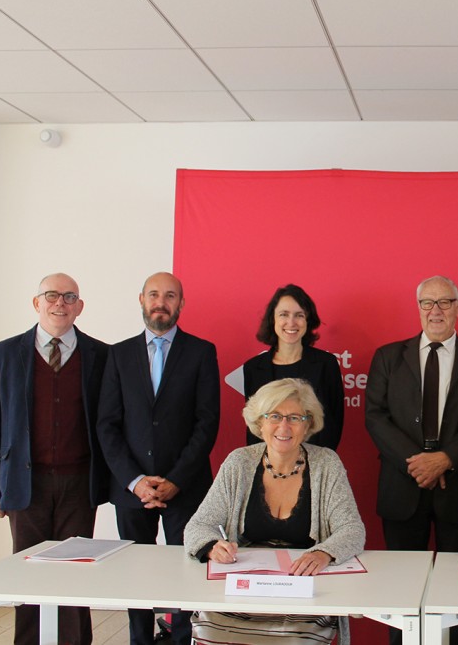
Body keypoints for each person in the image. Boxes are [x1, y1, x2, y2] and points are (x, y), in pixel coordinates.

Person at [0, 273, 109, 645]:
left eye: (69, 297)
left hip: (79, 483)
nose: (60, 303)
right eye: (52, 295)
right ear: (37, 303)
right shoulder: (4, 354)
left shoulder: (100, 355)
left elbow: (111, 422)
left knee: (75, 573)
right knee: (28, 574)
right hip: (24, 483)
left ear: (79, 307)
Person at [365, 275, 458, 644]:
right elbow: (375, 417)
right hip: (402, 485)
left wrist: (445, 459)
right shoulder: (388, 357)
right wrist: (419, 463)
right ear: (418, 307)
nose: (436, 310)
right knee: (401, 592)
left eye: (445, 302)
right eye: (428, 302)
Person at [184, 378, 365, 645]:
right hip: (242, 592)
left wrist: (324, 553)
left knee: (296, 640)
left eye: (295, 418)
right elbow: (198, 526)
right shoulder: (238, 462)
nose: (284, 426)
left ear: (308, 424)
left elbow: (352, 530)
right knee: (212, 633)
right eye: (274, 416)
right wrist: (212, 547)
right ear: (260, 423)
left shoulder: (327, 464)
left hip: (305, 592)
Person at [97, 272, 220, 645]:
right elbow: (107, 425)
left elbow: (207, 423)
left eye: (170, 295)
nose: (160, 303)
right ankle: (140, 638)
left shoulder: (201, 352)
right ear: (141, 299)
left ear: (181, 303)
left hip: (186, 485)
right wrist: (136, 482)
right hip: (131, 489)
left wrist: (176, 479)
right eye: (154, 294)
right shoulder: (118, 354)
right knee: (135, 573)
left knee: (187, 570)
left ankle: (183, 639)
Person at [242, 284, 343, 450]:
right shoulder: (253, 368)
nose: (291, 322)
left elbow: (334, 422)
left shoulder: (327, 364)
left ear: (307, 320)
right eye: (284, 314)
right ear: (273, 319)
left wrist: (318, 460)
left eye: (299, 315)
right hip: (268, 460)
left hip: (315, 458)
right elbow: (254, 425)